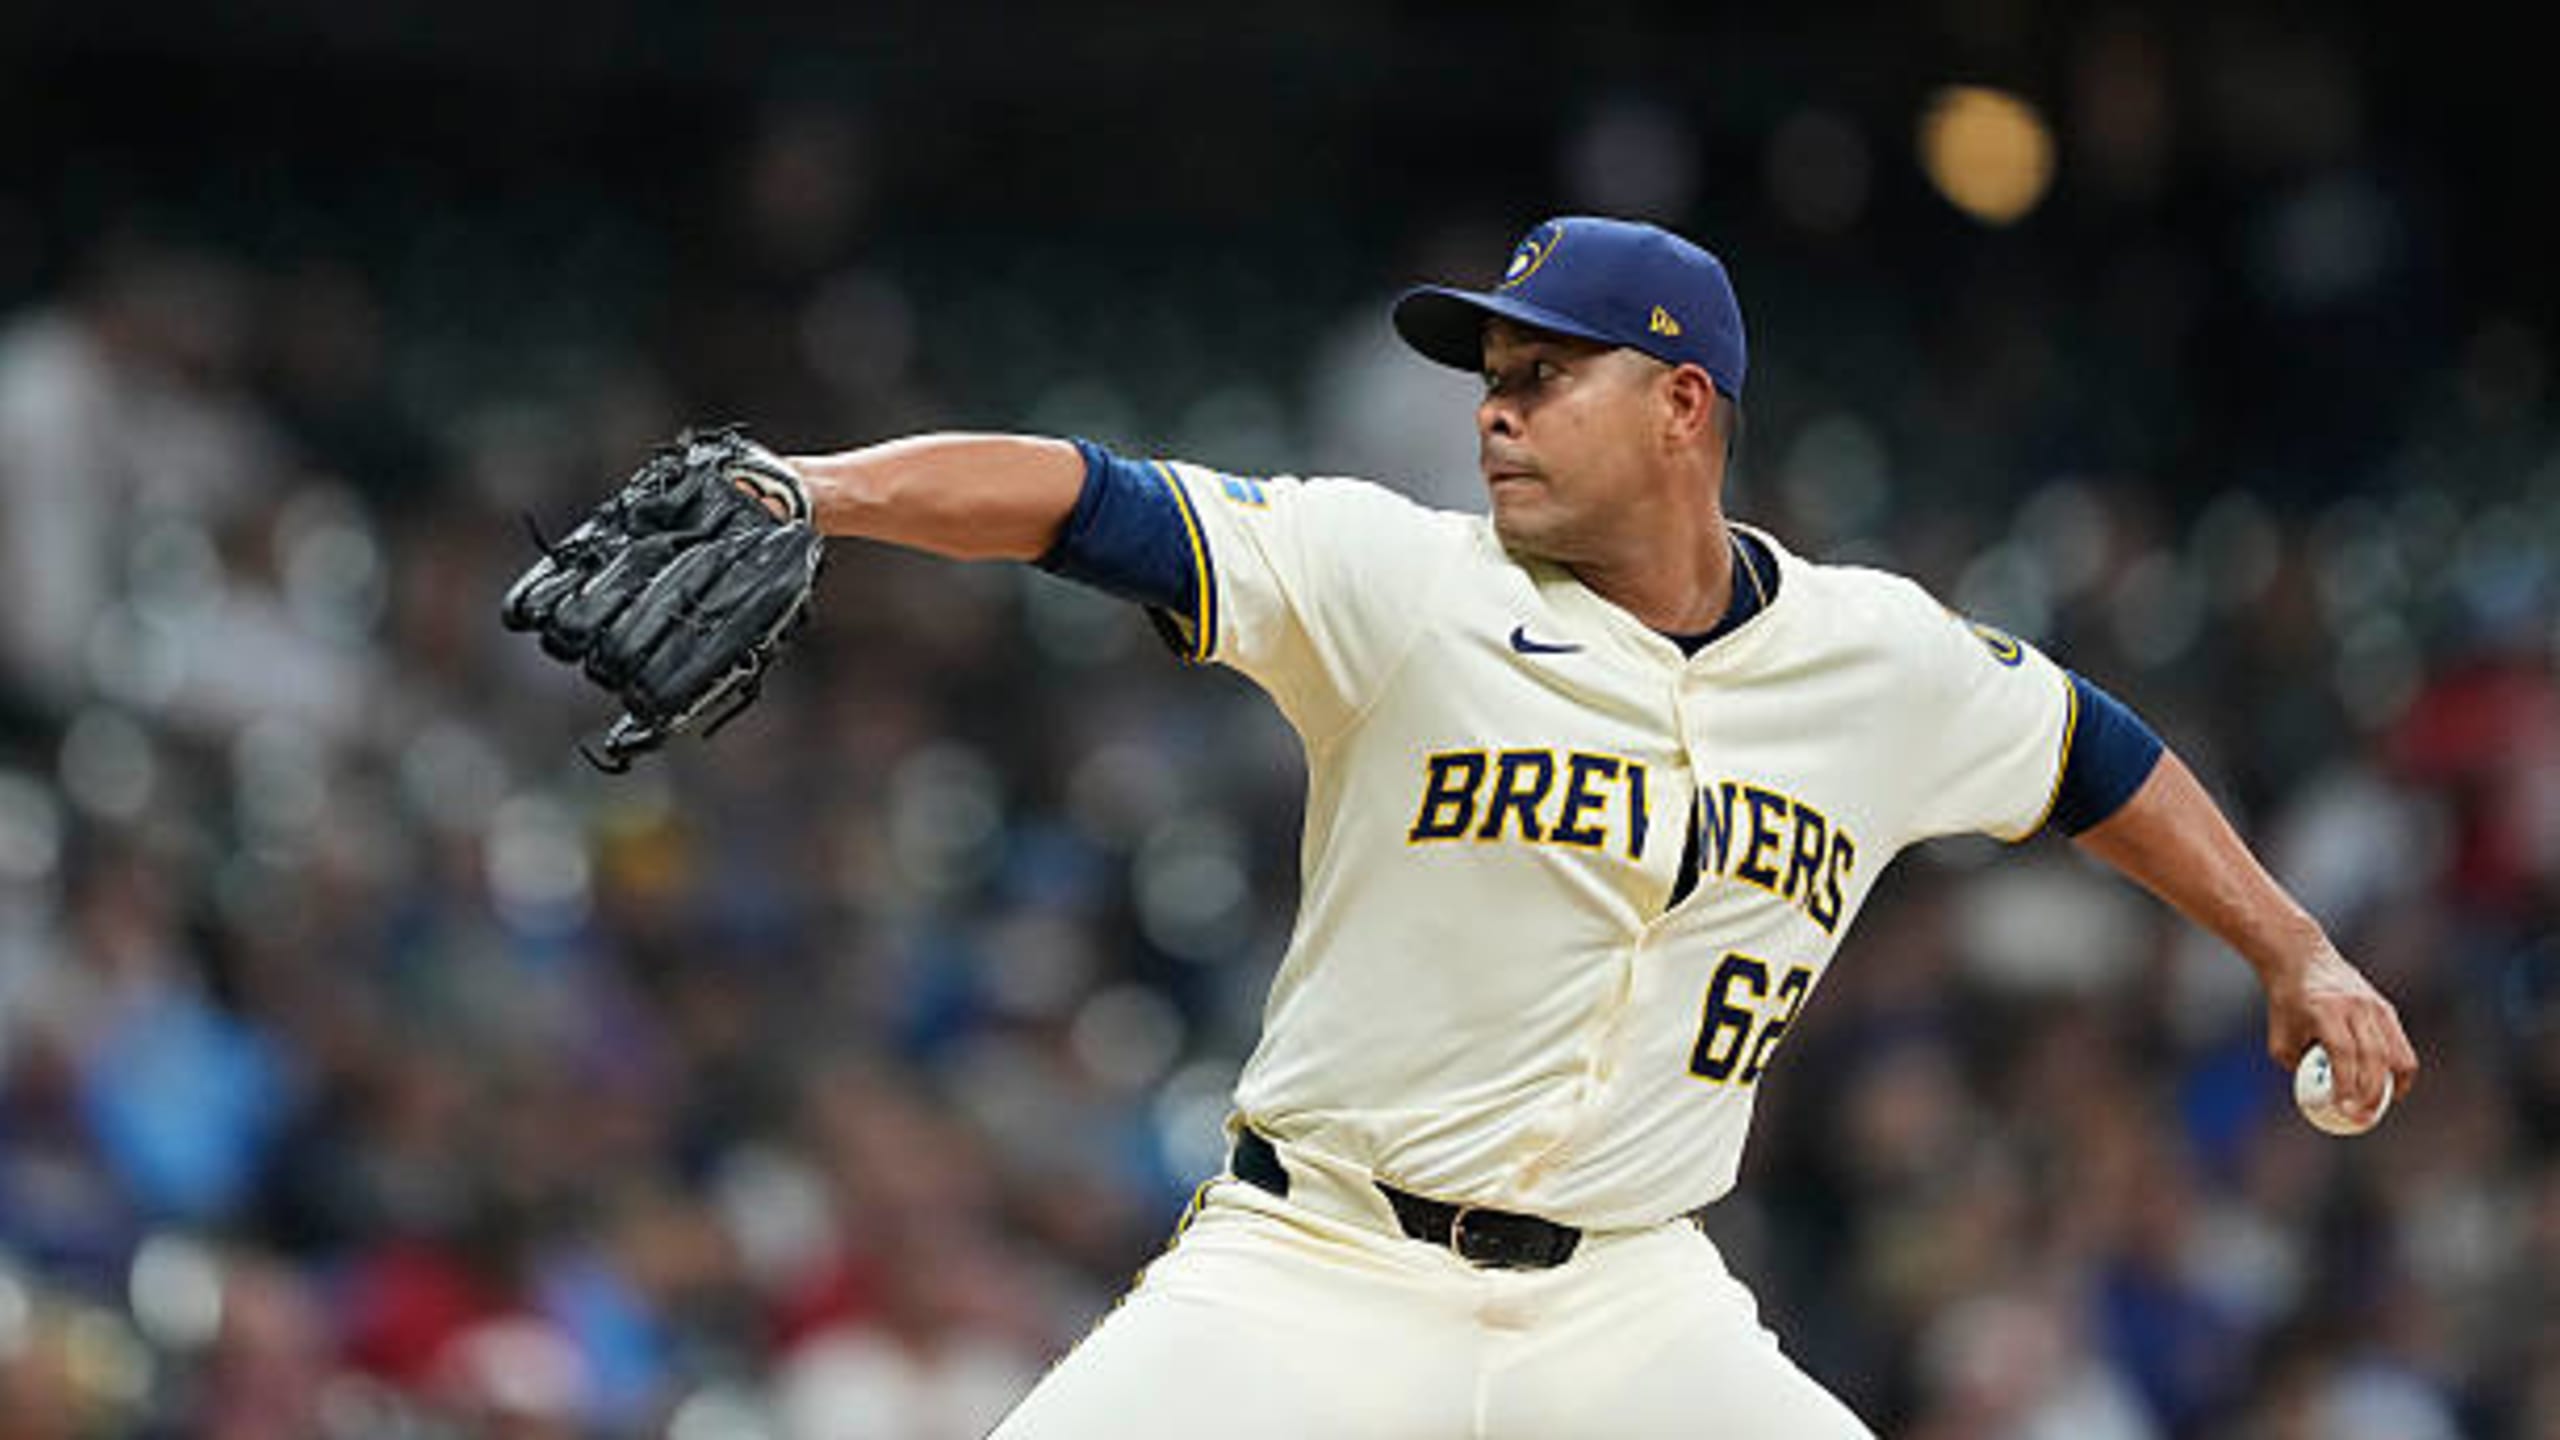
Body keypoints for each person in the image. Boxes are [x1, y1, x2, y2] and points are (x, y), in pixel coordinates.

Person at [759, 216, 2420, 1437]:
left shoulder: (1876, 659)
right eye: (1493, 381)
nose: (1496, 413)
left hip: (1628, 1301)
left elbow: (2091, 753)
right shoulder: (1401, 581)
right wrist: (816, 491)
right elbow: (1089, 499)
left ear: (1685, 406)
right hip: (1320, 1264)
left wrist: (2295, 949)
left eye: (1546, 378)